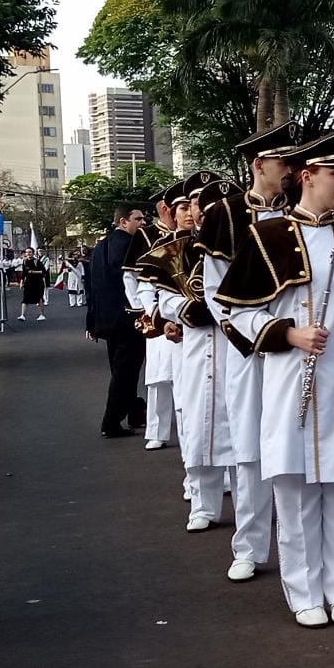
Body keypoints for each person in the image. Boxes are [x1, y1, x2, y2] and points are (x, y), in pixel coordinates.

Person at [217, 128, 334, 628]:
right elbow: (235, 314)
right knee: (296, 496)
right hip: (292, 385)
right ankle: (303, 593)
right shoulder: (267, 236)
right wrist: (287, 333)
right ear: (307, 176)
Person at [198, 121, 299, 580]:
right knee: (250, 447)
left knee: (298, 444)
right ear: (259, 164)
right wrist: (253, 338)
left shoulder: (301, 210)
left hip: (299, 346)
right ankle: (251, 546)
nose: (291, 173)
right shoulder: (225, 213)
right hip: (246, 349)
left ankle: (301, 548)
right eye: (283, 164)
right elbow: (216, 291)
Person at [141, 171, 235, 534]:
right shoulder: (178, 248)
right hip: (193, 348)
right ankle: (202, 504)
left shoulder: (240, 244)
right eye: (193, 203)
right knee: (196, 424)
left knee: (238, 426)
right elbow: (161, 297)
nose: (197, 210)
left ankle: (247, 506)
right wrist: (182, 310)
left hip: (232, 348)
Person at [85, 206, 147, 437]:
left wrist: (91, 321)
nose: (143, 222)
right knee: (125, 371)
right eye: (138, 219)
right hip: (127, 319)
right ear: (123, 222)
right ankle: (111, 422)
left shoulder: (100, 246)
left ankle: (134, 411)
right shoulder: (128, 244)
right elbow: (130, 278)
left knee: (122, 369)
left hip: (108, 320)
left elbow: (91, 286)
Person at [125, 187, 178, 452]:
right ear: (164, 209)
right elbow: (131, 276)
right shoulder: (147, 235)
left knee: (187, 378)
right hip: (156, 313)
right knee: (159, 378)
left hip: (185, 314)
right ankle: (157, 430)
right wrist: (145, 309)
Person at [17, 247, 49, 321]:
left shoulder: (37, 261)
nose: (28, 253)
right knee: (25, 299)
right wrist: (21, 282)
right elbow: (24, 273)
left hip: (38, 283)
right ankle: (22, 315)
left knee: (39, 299)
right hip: (28, 283)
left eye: (30, 252)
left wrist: (33, 272)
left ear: (33, 253)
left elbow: (43, 272)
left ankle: (41, 315)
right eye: (27, 252)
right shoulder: (24, 261)